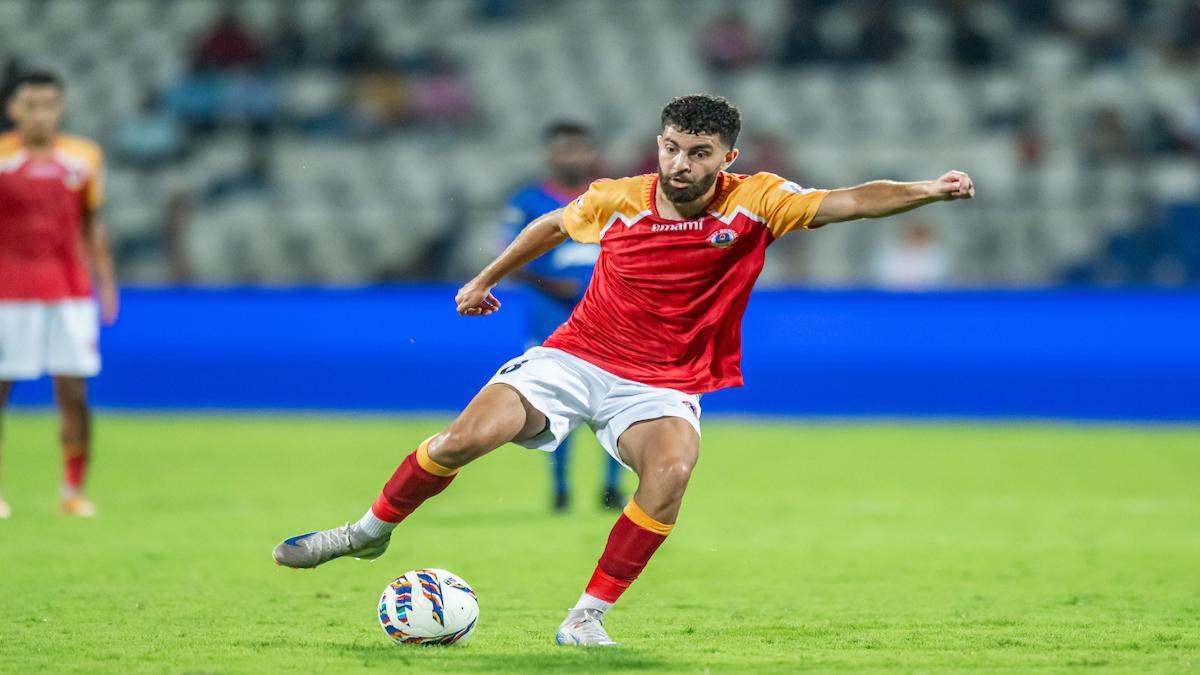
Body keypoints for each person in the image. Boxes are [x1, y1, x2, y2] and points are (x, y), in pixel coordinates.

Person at [272, 94, 975, 646]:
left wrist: (930, 189)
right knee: (461, 440)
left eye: (699, 153)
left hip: (663, 381)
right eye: (672, 147)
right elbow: (548, 227)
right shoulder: (620, 198)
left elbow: (851, 199)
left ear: (726, 155)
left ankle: (584, 616)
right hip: (576, 356)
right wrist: (484, 279)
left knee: (670, 473)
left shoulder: (757, 201)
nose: (681, 164)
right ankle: (366, 532)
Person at [0, 72, 118, 519]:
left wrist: (105, 281)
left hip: (69, 291)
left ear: (60, 108)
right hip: (7, 291)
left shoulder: (83, 156)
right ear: (14, 110)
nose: (41, 113)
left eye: (49, 104)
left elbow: (91, 223)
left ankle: (73, 489)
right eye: (31, 104)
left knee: (73, 390)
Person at [500, 121, 623, 512]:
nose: (572, 156)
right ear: (550, 154)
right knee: (559, 406)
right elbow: (508, 259)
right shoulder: (528, 201)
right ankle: (560, 488)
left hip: (613, 319)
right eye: (564, 148)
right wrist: (554, 286)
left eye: (579, 148)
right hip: (552, 318)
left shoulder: (615, 197)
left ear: (592, 152)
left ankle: (612, 486)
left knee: (616, 403)